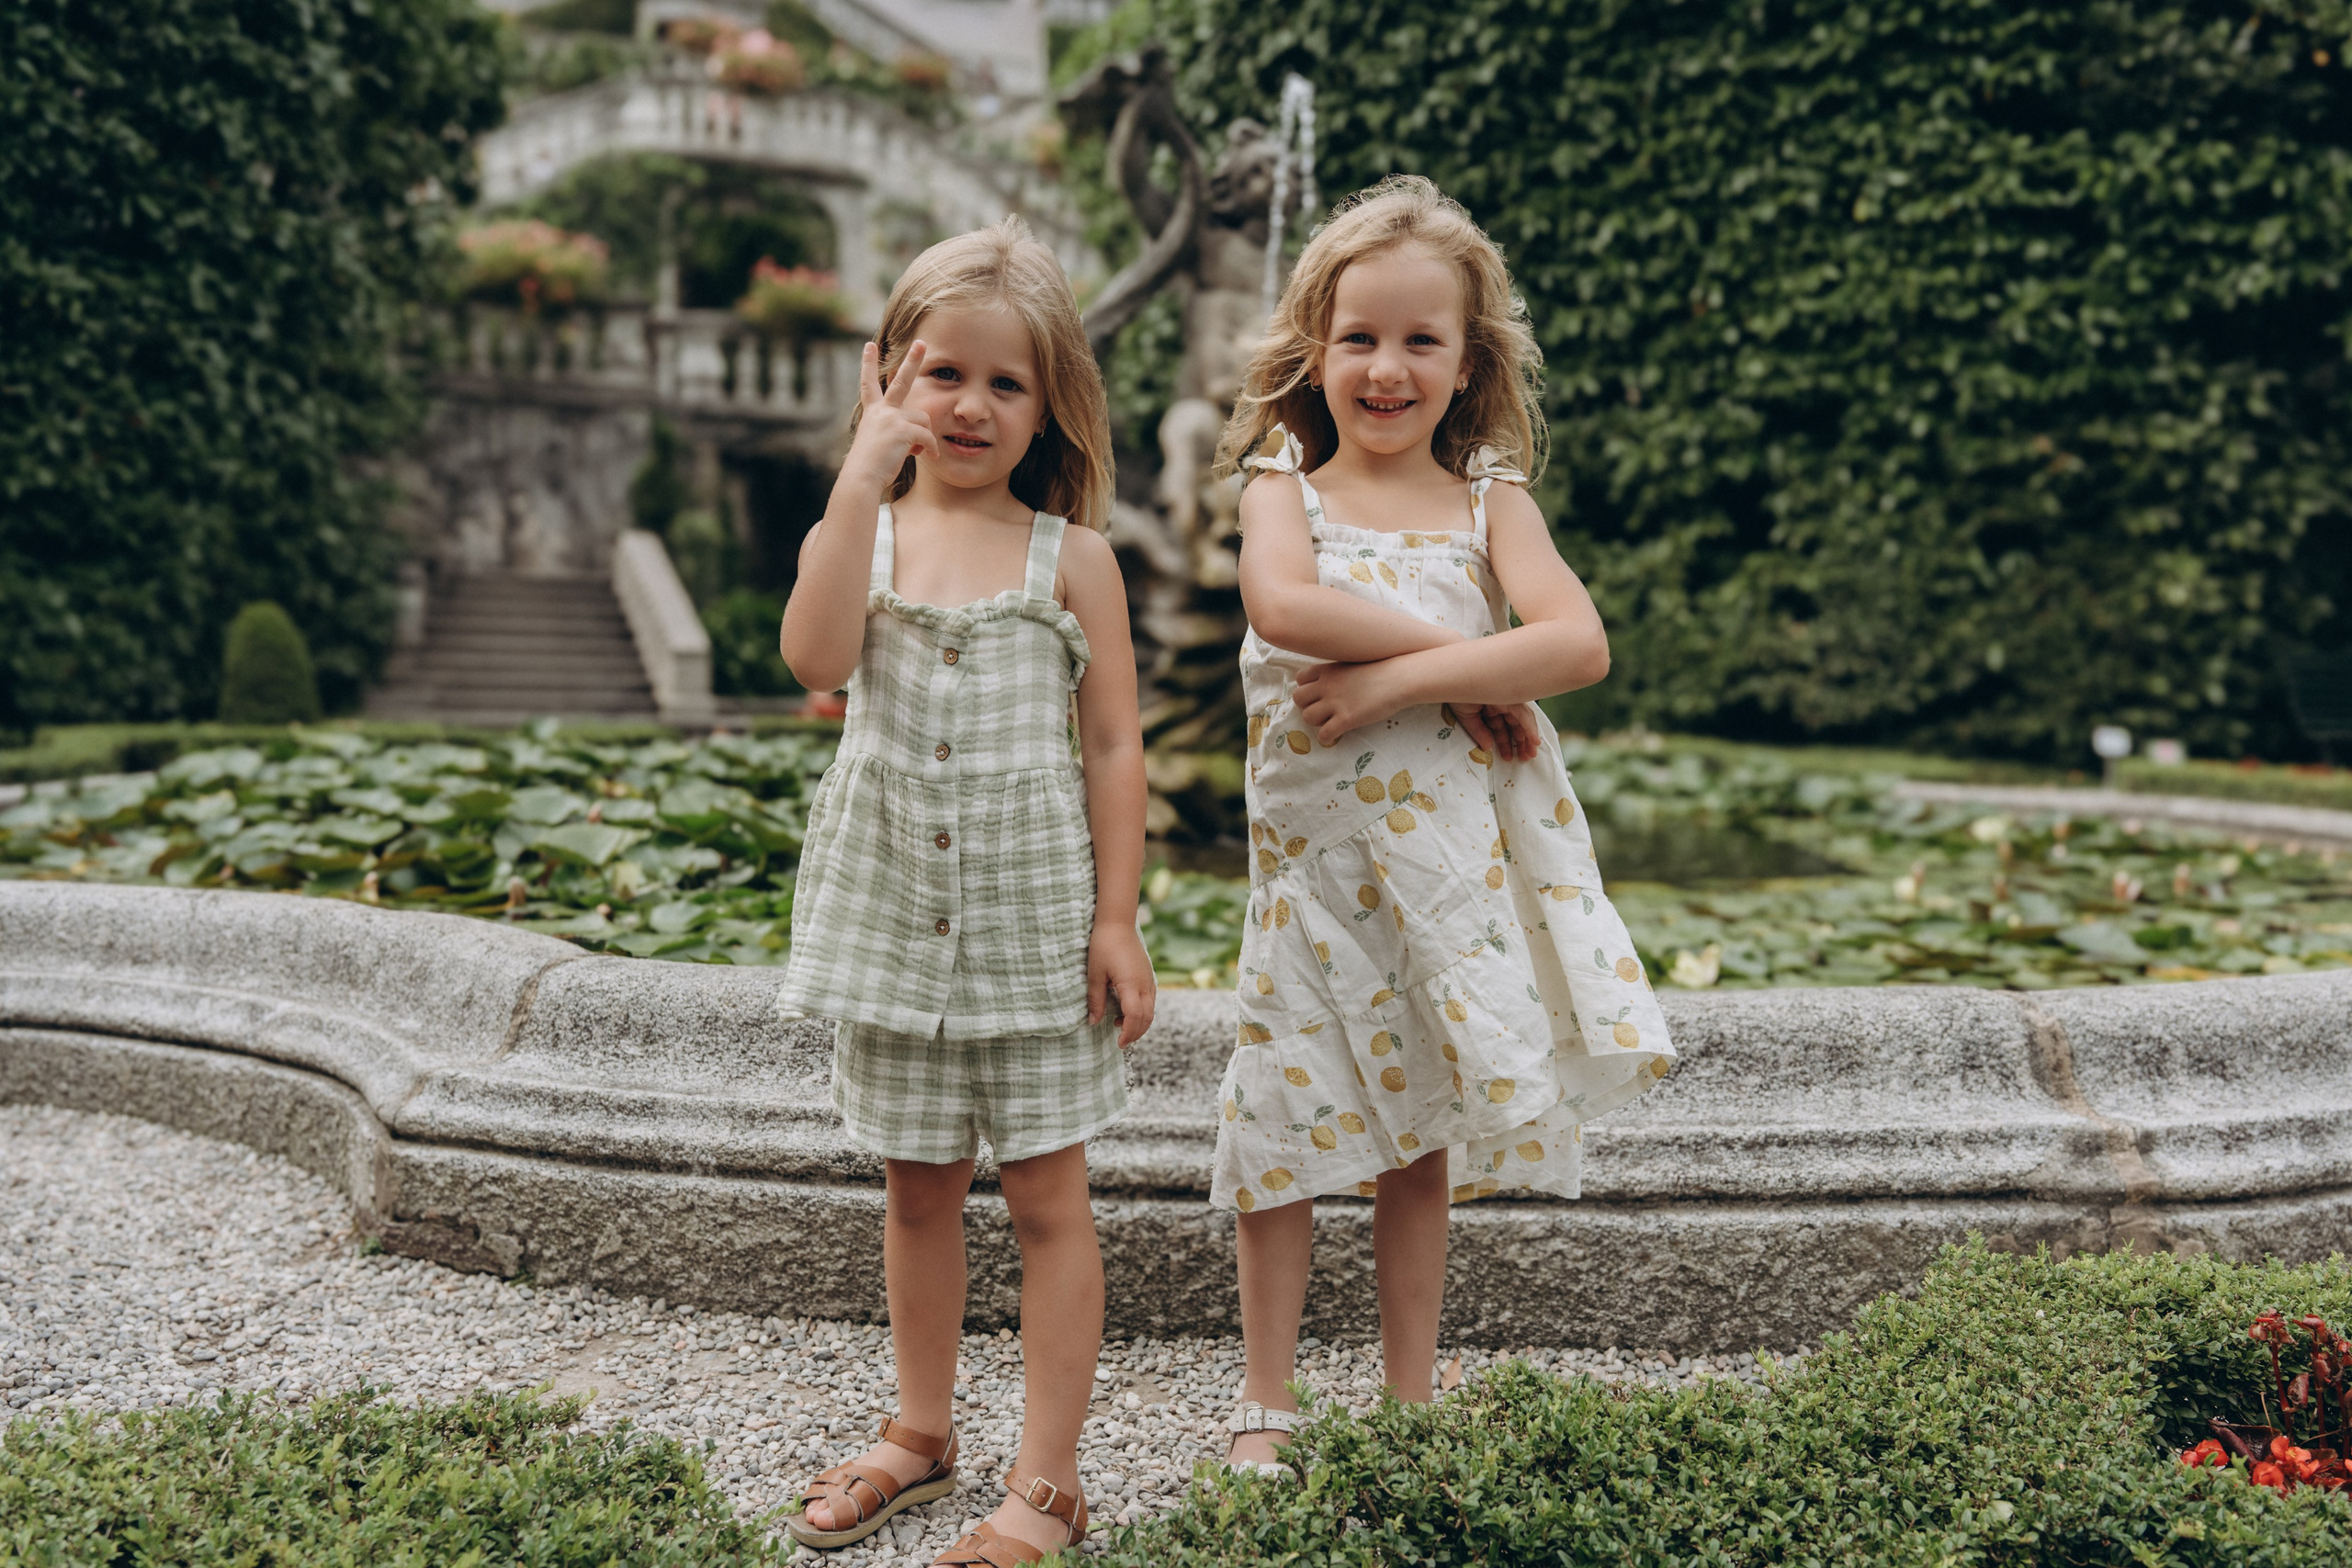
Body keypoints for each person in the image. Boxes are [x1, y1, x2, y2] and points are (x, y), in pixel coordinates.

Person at [1208, 175, 1677, 1474]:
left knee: (1416, 1144)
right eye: (1359, 337)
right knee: (1282, 1139)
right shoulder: (1280, 489)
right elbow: (1288, 610)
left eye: (1422, 341)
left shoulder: (1490, 504)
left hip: (1439, 889)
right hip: (1311, 883)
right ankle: (1267, 1399)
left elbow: (1575, 641)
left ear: (1469, 364)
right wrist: (1475, 660)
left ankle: (1408, 1398)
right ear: (1315, 347)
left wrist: (1419, 680)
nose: (1387, 366)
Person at [775, 216, 1155, 1565]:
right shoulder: (861, 542)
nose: (972, 404)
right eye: (942, 374)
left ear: (1049, 403)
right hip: (893, 920)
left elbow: (1114, 745)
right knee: (917, 1189)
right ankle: (920, 1435)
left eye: (1007, 382)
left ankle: (1047, 1481)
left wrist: (1119, 921)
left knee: (1051, 1202)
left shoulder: (1074, 561)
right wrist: (854, 479)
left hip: (1032, 931)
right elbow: (811, 654)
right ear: (888, 376)